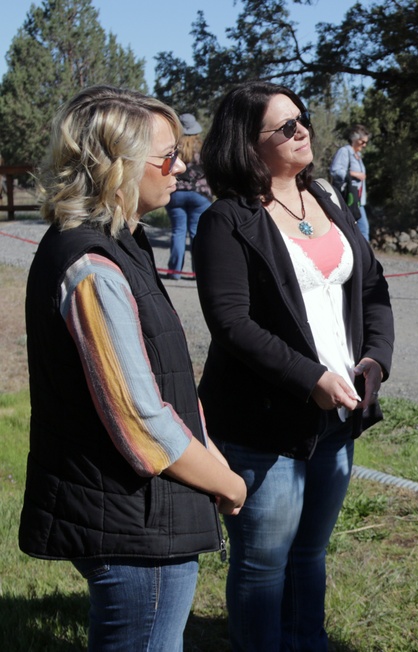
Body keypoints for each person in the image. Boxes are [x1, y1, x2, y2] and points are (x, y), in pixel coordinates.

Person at [19, 86, 247, 651]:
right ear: (115, 166)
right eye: (167, 157)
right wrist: (226, 480)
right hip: (133, 522)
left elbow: (160, 376)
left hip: (141, 509)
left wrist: (208, 450)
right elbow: (139, 418)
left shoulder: (123, 241)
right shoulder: (91, 262)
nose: (182, 168)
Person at [194, 81, 394, 651]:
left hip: (337, 416)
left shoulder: (325, 199)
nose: (303, 129)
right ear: (246, 144)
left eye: (300, 118)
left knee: (309, 553)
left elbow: (373, 289)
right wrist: (311, 379)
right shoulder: (226, 221)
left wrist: (375, 359)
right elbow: (232, 324)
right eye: (284, 127)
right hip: (263, 426)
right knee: (263, 564)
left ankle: (308, 642)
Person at [164, 112, 212, 279]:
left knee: (178, 231)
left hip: (176, 193)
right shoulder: (202, 148)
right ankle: (197, 272)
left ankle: (175, 272)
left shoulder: (173, 147)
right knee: (196, 233)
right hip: (199, 195)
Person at [329, 124, 371, 240]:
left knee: (356, 230)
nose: (364, 145)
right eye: (362, 142)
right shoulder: (345, 151)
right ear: (354, 139)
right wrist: (353, 174)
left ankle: (359, 256)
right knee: (363, 229)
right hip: (348, 198)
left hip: (357, 201)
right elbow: (335, 170)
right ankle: (365, 258)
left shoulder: (358, 155)